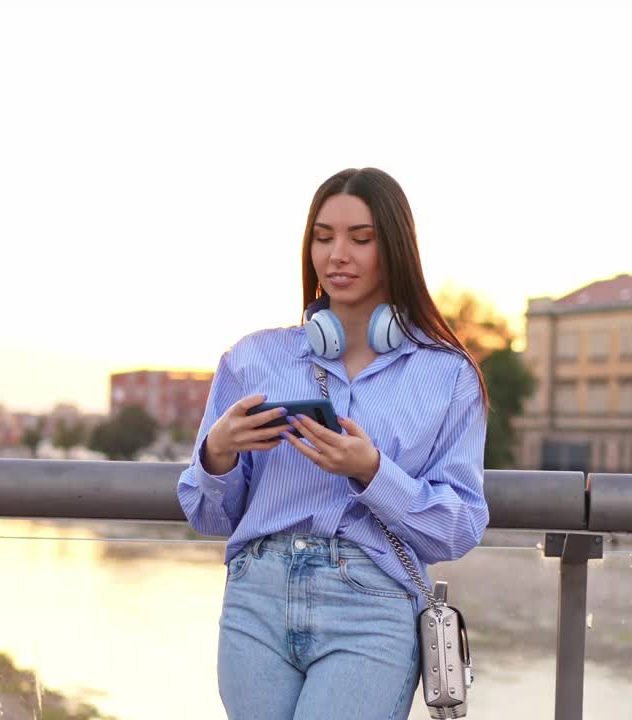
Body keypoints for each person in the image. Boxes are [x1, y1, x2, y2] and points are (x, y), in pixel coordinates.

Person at [177, 167, 489, 720]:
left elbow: (459, 525)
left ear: (394, 247)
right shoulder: (251, 359)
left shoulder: (449, 376)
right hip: (257, 598)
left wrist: (374, 473)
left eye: (360, 239)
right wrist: (218, 454)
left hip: (371, 604)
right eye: (323, 237)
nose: (337, 254)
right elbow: (208, 515)